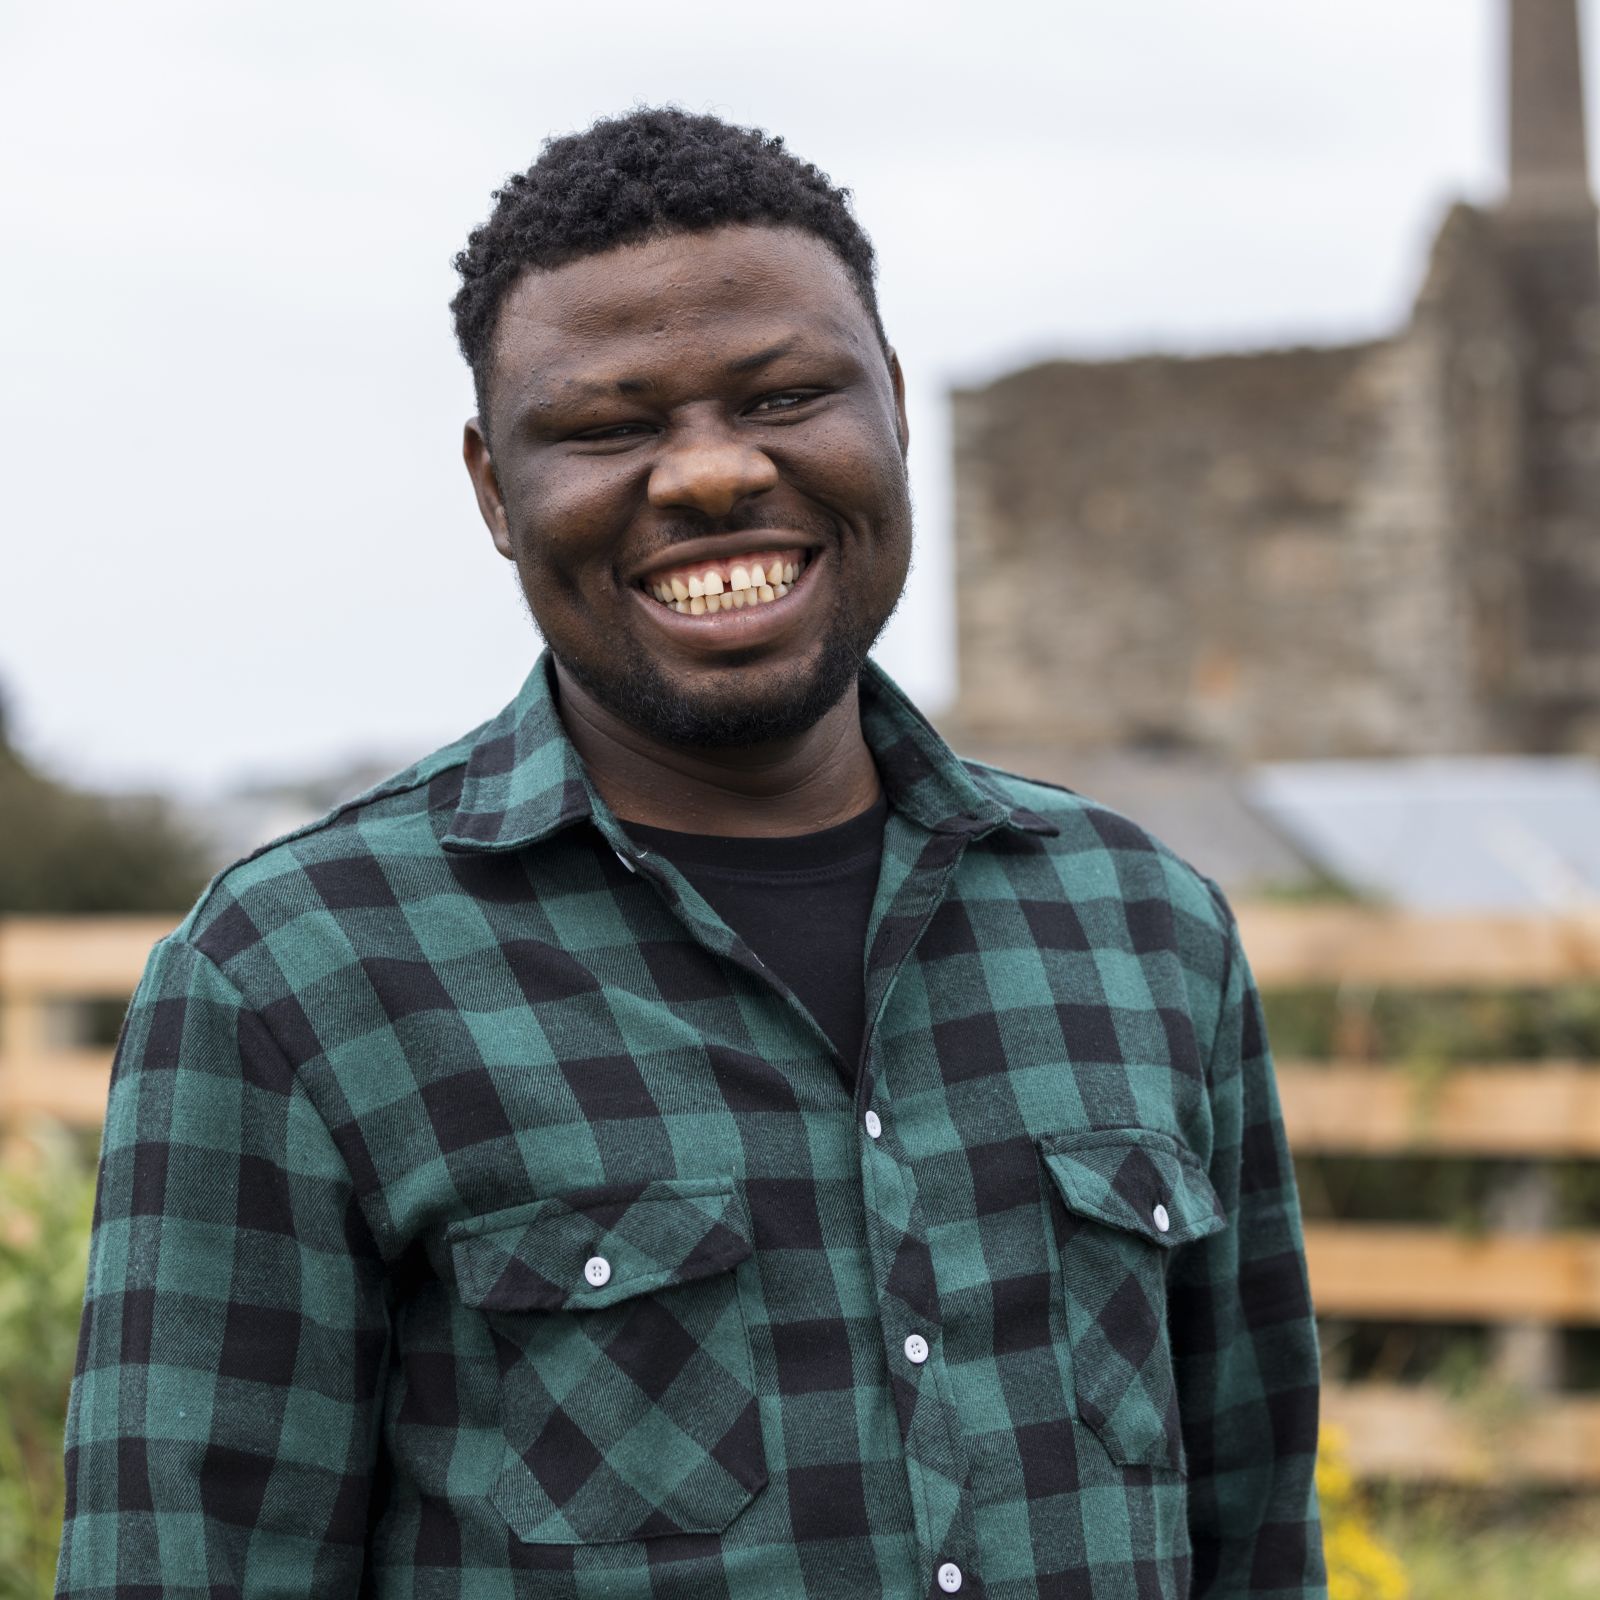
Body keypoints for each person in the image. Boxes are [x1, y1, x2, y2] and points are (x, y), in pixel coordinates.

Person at [57, 108, 1326, 1600]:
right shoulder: (296, 979)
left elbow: (1257, 1537)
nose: (714, 474)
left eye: (786, 396)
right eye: (609, 426)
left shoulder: (1144, 928)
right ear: (491, 488)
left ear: (896, 409)